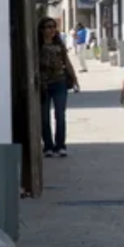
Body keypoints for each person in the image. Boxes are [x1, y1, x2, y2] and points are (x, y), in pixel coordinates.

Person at [38, 17, 80, 157]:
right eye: (48, 27)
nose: (51, 30)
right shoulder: (37, 45)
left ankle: (60, 145)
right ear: (42, 30)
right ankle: (48, 146)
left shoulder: (59, 45)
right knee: (44, 117)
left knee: (60, 115)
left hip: (59, 82)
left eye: (53, 27)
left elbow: (66, 62)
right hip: (43, 84)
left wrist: (75, 79)